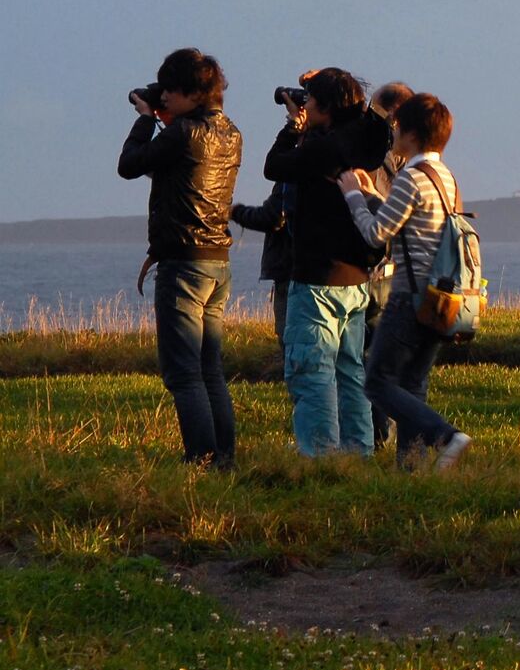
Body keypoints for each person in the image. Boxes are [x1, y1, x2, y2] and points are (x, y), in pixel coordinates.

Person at [117, 48, 243, 469]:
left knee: (183, 373)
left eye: (170, 89)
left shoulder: (181, 132)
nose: (165, 96)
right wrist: (162, 114)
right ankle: (223, 459)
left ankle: (201, 462)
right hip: (216, 261)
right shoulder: (230, 132)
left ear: (191, 92)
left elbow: (129, 165)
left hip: (184, 264)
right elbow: (176, 171)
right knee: (210, 370)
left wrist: (145, 117)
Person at [263, 67, 394, 457]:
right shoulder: (367, 138)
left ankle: (321, 454)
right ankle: (358, 450)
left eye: (311, 99)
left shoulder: (323, 149)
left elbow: (274, 165)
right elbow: (378, 114)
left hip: (317, 276)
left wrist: (292, 127)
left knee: (313, 369)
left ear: (324, 106)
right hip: (355, 279)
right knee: (350, 370)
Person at [338, 93, 472, 471]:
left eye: (397, 127)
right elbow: (410, 222)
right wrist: (369, 193)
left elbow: (377, 234)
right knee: (412, 386)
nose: (393, 133)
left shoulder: (411, 176)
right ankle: (410, 472)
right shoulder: (445, 177)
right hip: (439, 299)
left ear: (410, 133)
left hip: (407, 299)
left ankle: (446, 435)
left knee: (377, 382)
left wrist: (352, 197)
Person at [363, 80, 414, 448]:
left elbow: (379, 215)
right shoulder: (416, 155)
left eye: (375, 111)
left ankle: (377, 435)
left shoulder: (384, 153)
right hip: (399, 268)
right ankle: (390, 437)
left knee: (369, 358)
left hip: (379, 267)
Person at [229, 181, 293, 372]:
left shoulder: (293, 168)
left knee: (291, 341)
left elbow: (272, 217)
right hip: (337, 273)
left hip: (292, 272)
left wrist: (236, 212)